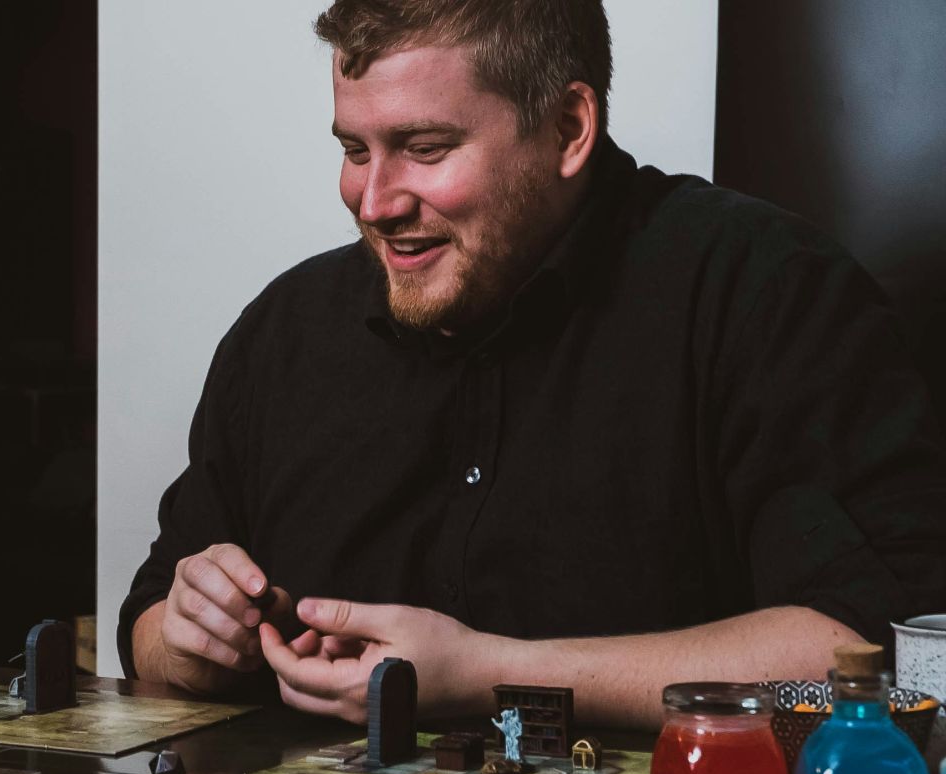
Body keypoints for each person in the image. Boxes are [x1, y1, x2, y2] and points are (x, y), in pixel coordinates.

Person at [121, 0, 946, 729]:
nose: (374, 202)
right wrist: (187, 641)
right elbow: (149, 623)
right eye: (356, 149)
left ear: (568, 128)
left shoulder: (765, 294)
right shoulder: (284, 333)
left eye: (425, 147)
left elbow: (874, 653)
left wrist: (487, 675)